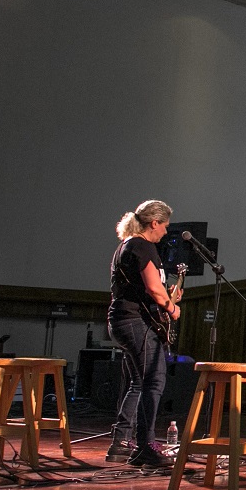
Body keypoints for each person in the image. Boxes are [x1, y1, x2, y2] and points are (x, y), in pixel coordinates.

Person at [108, 200, 181, 467]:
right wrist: (172, 307)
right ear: (154, 223)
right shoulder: (141, 246)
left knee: (138, 383)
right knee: (154, 380)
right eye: (165, 226)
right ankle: (146, 446)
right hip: (134, 322)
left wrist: (167, 296)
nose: (166, 231)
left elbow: (147, 288)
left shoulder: (128, 245)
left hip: (123, 320)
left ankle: (121, 442)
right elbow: (153, 288)